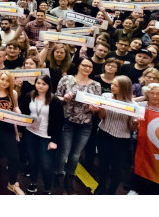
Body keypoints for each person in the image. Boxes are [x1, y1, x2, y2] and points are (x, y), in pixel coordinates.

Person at [54, 58, 101, 193]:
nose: (87, 68)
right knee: (64, 152)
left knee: (76, 154)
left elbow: (97, 105)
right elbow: (57, 97)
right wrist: (65, 99)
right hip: (67, 121)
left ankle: (70, 176)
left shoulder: (96, 85)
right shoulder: (66, 79)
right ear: (78, 66)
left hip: (85, 123)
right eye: (84, 65)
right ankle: (58, 173)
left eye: (90, 67)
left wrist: (95, 109)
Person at [18, 75, 64, 195]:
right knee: (32, 161)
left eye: (44, 84)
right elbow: (22, 112)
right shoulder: (29, 96)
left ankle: (48, 189)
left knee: (46, 165)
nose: (40, 86)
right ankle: (33, 183)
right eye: (38, 83)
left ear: (49, 85)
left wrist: (54, 141)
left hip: (46, 137)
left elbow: (59, 123)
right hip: (30, 133)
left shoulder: (54, 101)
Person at [92, 75, 137, 194]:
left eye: (116, 85)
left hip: (121, 139)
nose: (112, 87)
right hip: (104, 134)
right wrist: (101, 108)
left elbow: (132, 127)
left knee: (117, 168)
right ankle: (101, 187)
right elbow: (102, 117)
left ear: (124, 88)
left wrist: (136, 123)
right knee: (103, 164)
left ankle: (111, 191)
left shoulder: (133, 105)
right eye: (112, 84)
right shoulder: (105, 96)